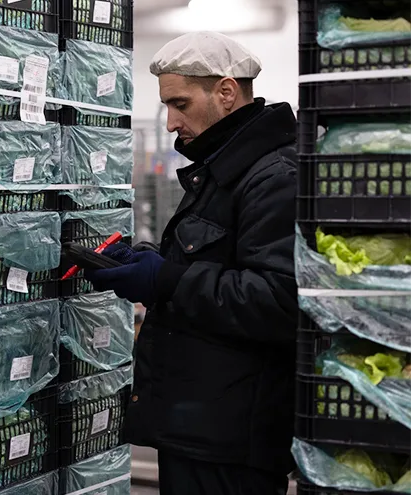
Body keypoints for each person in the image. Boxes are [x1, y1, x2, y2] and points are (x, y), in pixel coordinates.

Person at [85, 32, 297, 495]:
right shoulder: (221, 168)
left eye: (179, 104)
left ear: (225, 92)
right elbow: (215, 264)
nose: (169, 122)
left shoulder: (273, 177)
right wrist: (152, 263)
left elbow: (281, 302)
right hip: (198, 427)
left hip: (231, 440)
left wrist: (166, 279)